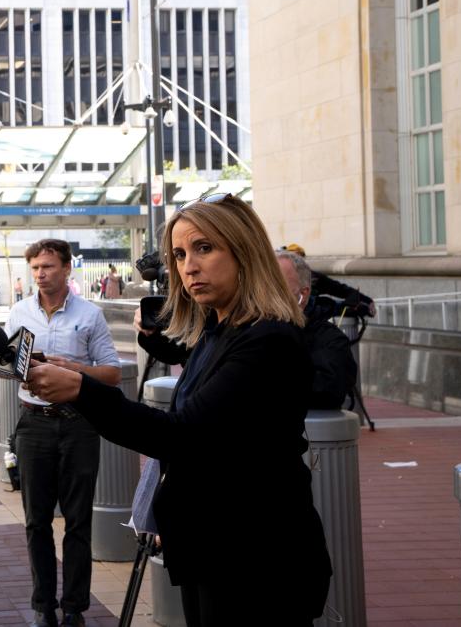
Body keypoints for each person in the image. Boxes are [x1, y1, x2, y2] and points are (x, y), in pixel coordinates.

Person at [26, 193, 331, 627]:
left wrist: (81, 389)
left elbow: (183, 434)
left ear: (244, 250)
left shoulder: (267, 340)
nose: (189, 266)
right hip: (214, 547)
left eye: (205, 248)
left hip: (258, 559)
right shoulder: (219, 330)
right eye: (180, 254)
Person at [7, 239, 121, 627]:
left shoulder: (90, 315)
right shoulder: (19, 312)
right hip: (34, 424)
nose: (41, 274)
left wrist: (72, 369)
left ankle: (74, 608)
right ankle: (43, 606)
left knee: (77, 521)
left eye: (49, 266)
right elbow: (10, 366)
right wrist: (16, 367)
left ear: (67, 268)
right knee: (36, 521)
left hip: (78, 425)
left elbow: (112, 373)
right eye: (36, 267)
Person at [276, 249, 359, 409]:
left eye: (278, 287)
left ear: (303, 294)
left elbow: (329, 390)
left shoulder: (329, 340)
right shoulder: (246, 329)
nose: (267, 294)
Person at [281, 242, 376, 318]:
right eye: (293, 259)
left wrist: (365, 301)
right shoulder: (277, 280)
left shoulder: (313, 277)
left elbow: (338, 288)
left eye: (299, 259)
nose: (297, 262)